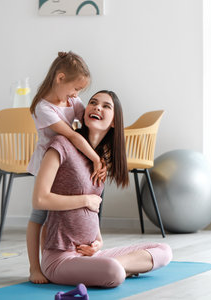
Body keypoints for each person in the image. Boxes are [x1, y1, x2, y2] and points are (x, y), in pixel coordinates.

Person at [32, 90, 172, 287]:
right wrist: (86, 200)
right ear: (84, 111)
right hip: (60, 258)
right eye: (93, 102)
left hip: (91, 255)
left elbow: (92, 213)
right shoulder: (61, 145)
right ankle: (116, 267)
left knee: (164, 250)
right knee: (113, 272)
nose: (97, 107)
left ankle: (109, 266)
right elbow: (40, 200)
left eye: (106, 106)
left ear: (114, 121)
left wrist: (99, 242)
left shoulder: (100, 162)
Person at [27, 51, 106, 284]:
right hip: (48, 165)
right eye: (75, 89)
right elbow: (72, 136)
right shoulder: (44, 108)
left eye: (80, 91)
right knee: (39, 216)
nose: (76, 95)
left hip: (68, 165)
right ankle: (36, 267)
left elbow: (88, 120)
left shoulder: (71, 101)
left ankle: (59, 259)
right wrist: (95, 158)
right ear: (60, 78)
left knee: (57, 218)